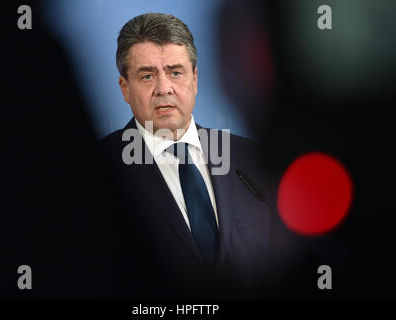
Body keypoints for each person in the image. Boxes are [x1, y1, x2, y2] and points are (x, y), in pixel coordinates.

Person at [100, 12, 303, 299]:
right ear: (125, 88)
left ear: (194, 80)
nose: (164, 89)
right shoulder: (96, 170)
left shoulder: (259, 161)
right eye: (147, 75)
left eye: (175, 72)